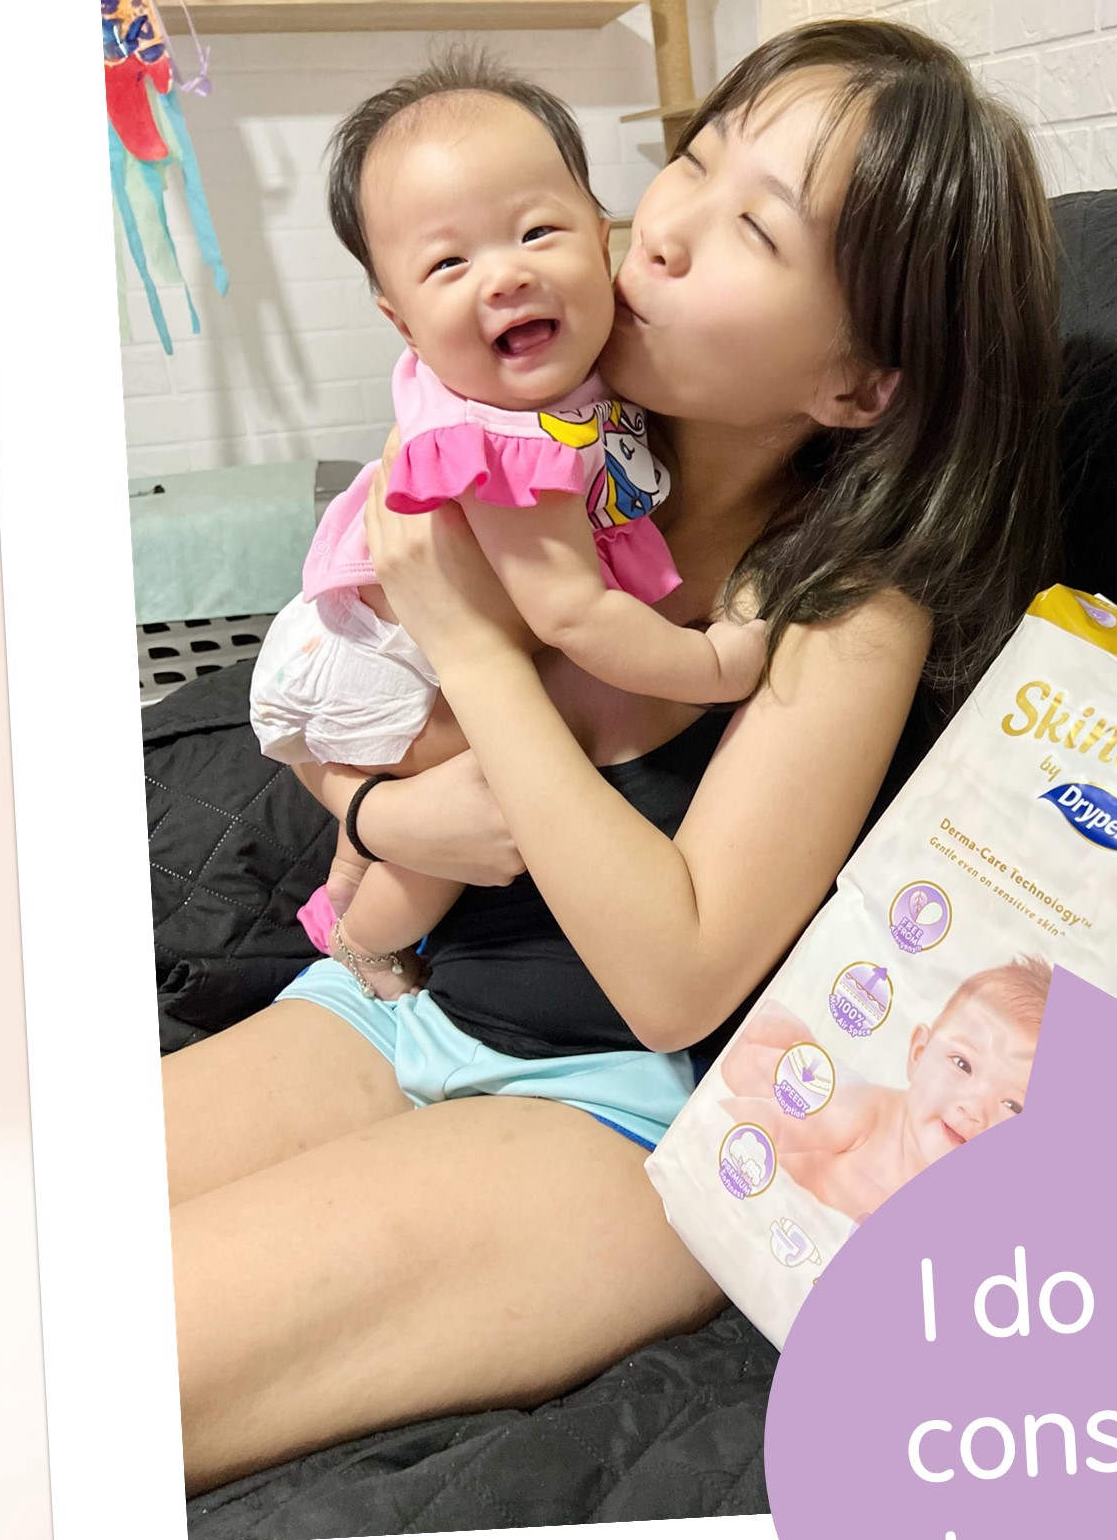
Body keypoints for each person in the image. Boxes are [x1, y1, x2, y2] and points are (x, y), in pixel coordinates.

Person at [164, 18, 1060, 1494]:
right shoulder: (543, 429)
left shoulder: (845, 602)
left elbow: (676, 980)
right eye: (692, 166)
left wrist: (474, 651)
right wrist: (380, 822)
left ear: (858, 383)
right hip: (394, 1001)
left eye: (756, 228)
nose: (663, 235)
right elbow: (352, 720)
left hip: (608, 1106)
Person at [246, 50, 766, 985]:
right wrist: (713, 666)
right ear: (402, 322)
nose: (504, 277)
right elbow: (573, 614)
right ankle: (364, 943)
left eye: (536, 231)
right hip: (371, 663)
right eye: (449, 263)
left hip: (366, 633)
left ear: (601, 239)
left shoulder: (572, 376)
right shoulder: (502, 445)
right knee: (495, 788)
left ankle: (346, 873)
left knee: (460, 777)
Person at [715, 956, 1053, 1222]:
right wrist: (720, 1122)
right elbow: (768, 1125)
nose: (974, 1109)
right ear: (919, 1054)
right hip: (817, 1127)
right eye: (962, 1064)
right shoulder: (870, 1115)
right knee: (755, 1062)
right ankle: (785, 1044)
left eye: (1014, 1106)